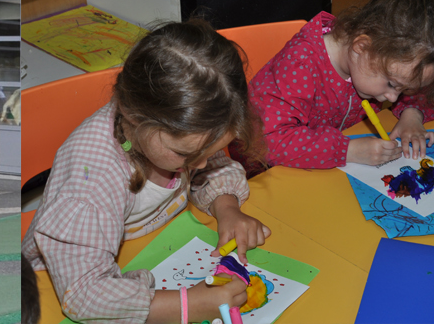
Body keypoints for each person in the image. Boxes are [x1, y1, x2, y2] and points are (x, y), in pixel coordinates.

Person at [22, 20, 266, 323]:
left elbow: (212, 167)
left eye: (209, 150)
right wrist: (189, 306)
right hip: (50, 285)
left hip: (155, 246)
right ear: (134, 116)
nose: (202, 163)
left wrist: (227, 206)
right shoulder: (91, 181)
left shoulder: (187, 129)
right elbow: (84, 296)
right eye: (187, 155)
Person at [244, 0, 434, 172]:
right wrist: (347, 151)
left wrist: (412, 115)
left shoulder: (376, 60)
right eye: (392, 84)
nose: (393, 98)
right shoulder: (300, 65)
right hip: (259, 175)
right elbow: (268, 141)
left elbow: (421, 88)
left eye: (404, 89)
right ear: (361, 46)